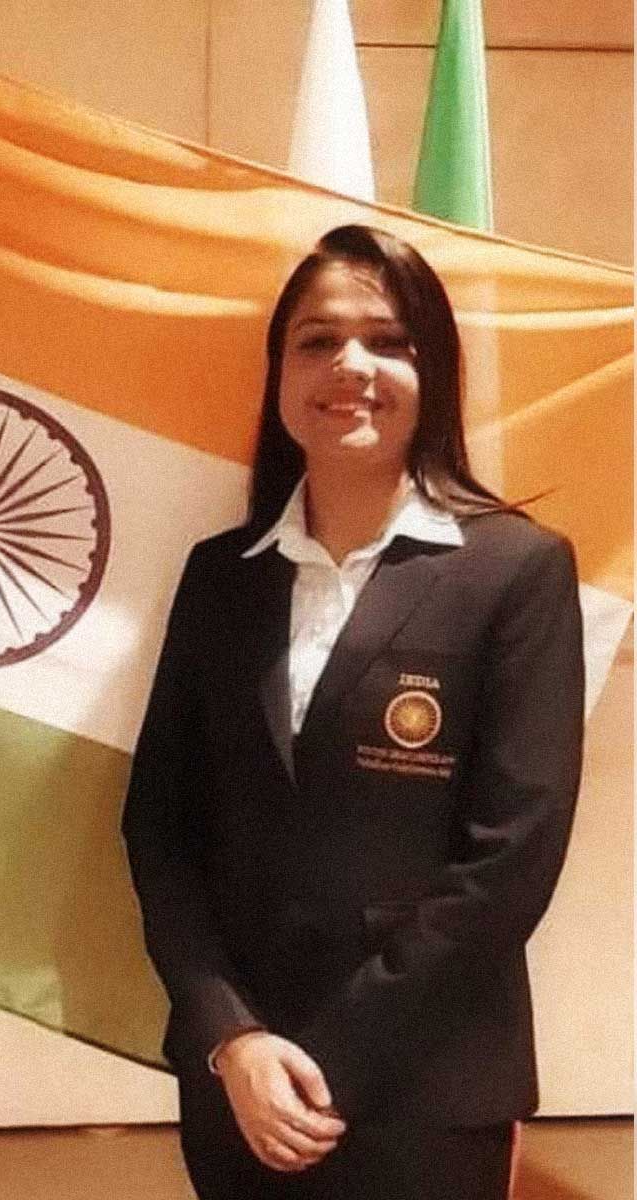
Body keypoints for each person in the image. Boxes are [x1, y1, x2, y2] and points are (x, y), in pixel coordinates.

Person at [122, 224, 584, 1199]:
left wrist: (323, 1064)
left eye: (388, 340)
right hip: (239, 1090)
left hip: (424, 1090)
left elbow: (510, 862)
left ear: (435, 371)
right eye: (318, 340)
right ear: (280, 373)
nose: (351, 365)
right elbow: (160, 827)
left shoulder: (515, 571)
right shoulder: (221, 576)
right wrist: (231, 1038)